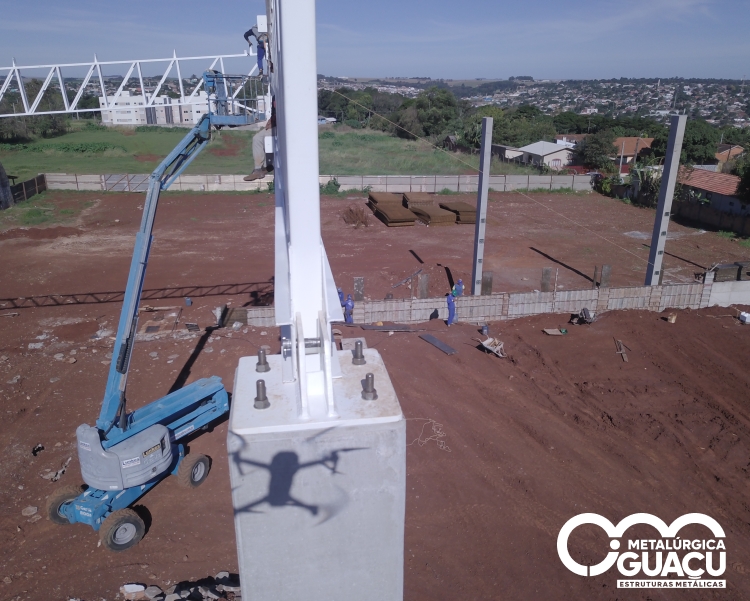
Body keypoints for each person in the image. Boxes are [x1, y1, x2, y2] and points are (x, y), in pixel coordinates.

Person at [244, 98, 275, 182]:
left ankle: (269, 165)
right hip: (275, 124)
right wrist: (270, 121)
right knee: (257, 138)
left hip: (284, 125)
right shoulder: (275, 96)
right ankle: (258, 169)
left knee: (268, 139)